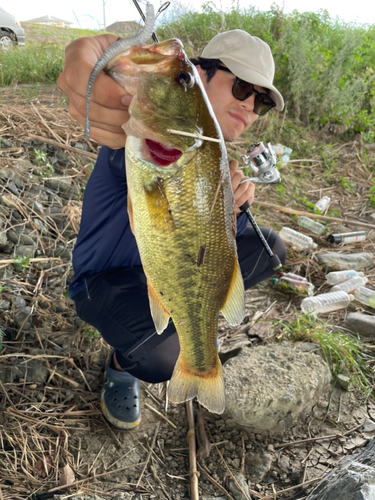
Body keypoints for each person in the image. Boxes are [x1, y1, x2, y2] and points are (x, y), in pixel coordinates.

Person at [57, 29, 287, 429]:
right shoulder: (143, 139)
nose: (250, 106)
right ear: (200, 73)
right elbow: (117, 81)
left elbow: (195, 241)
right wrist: (99, 59)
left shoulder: (211, 152)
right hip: (104, 281)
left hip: (166, 266)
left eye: (262, 102)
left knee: (271, 248)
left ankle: (185, 317)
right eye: (242, 87)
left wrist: (224, 218)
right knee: (163, 357)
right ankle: (122, 363)